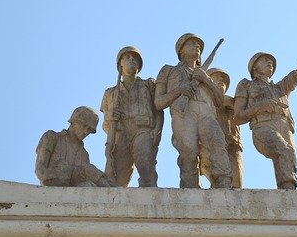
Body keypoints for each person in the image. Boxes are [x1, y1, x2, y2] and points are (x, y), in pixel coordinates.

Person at [234, 32, 297, 190]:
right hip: (263, 127)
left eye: (271, 61)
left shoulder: (281, 88)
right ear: (254, 67)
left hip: (284, 126)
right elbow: (237, 117)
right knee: (283, 150)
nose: (269, 62)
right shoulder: (246, 85)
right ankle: (287, 191)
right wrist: (259, 107)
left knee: (291, 159)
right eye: (264, 60)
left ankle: (289, 191)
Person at [155, 33, 233, 188]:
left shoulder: (205, 74)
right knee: (188, 153)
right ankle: (190, 188)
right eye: (191, 43)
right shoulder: (168, 70)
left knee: (217, 141)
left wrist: (206, 79)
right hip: (183, 113)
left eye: (199, 45)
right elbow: (159, 102)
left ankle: (224, 181)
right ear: (181, 50)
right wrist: (179, 90)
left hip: (207, 113)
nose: (197, 46)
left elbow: (219, 100)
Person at [100, 46, 163, 187]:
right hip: (120, 134)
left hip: (143, 131)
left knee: (146, 167)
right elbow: (105, 125)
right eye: (127, 57)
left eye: (135, 58)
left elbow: (159, 110)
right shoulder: (110, 93)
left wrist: (156, 132)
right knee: (118, 178)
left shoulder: (148, 84)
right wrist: (110, 117)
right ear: (120, 64)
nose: (131, 59)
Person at [35, 106, 112, 187]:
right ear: (73, 122)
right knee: (85, 170)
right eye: (84, 126)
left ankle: (112, 191)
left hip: (73, 189)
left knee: (90, 185)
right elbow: (40, 170)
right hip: (54, 182)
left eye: (89, 130)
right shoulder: (51, 137)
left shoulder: (84, 154)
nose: (86, 131)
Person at [199, 68, 243, 188]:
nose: (221, 80)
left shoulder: (230, 101)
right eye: (216, 77)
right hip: (208, 144)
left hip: (232, 144)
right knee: (215, 180)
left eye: (223, 79)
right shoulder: (201, 102)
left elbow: (240, 110)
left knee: (236, 184)